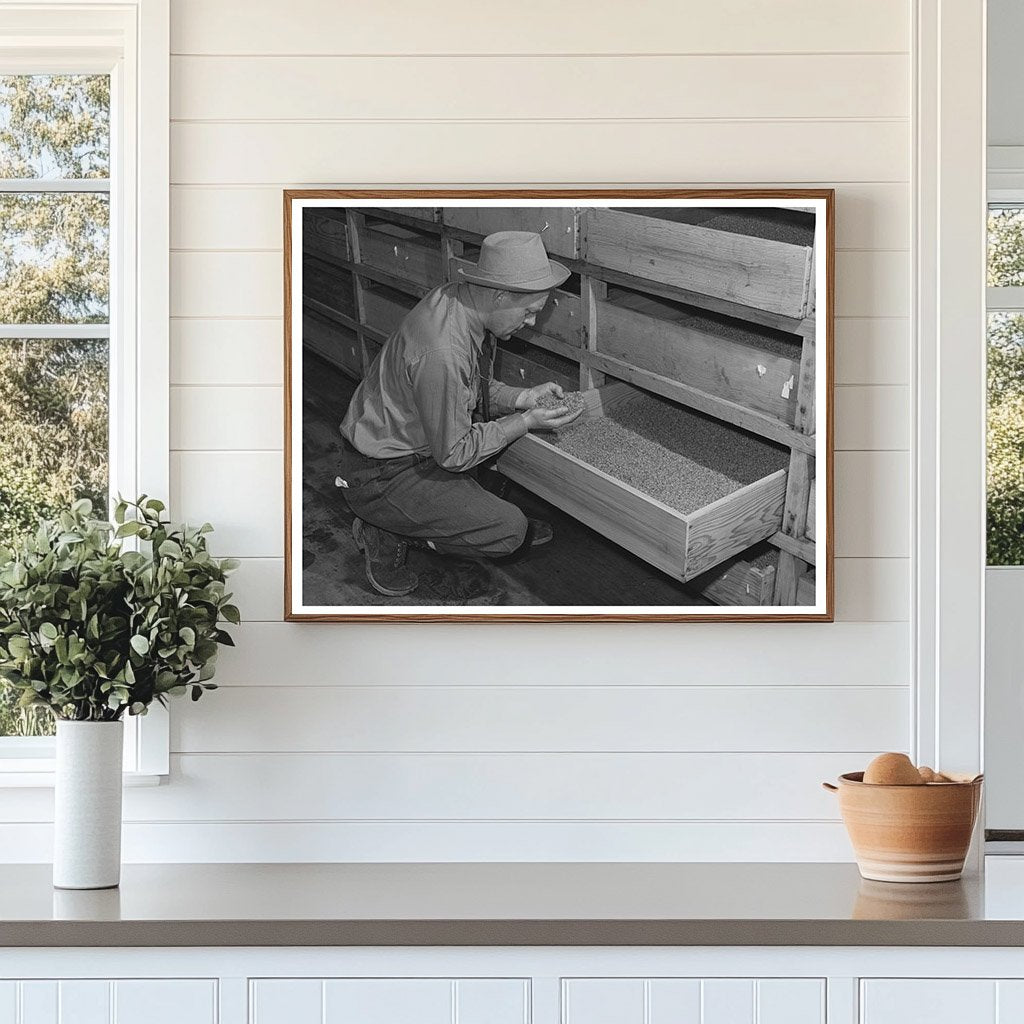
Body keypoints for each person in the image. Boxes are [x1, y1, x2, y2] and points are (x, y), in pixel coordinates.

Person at [338, 229, 583, 597]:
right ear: (500, 294)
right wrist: (524, 422)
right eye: (530, 311)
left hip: (417, 445)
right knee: (510, 532)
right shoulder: (444, 352)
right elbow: (454, 454)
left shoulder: (457, 301)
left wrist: (523, 397)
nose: (532, 322)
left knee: (492, 477)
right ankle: (384, 525)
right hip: (381, 473)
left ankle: (444, 513)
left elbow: (469, 390)